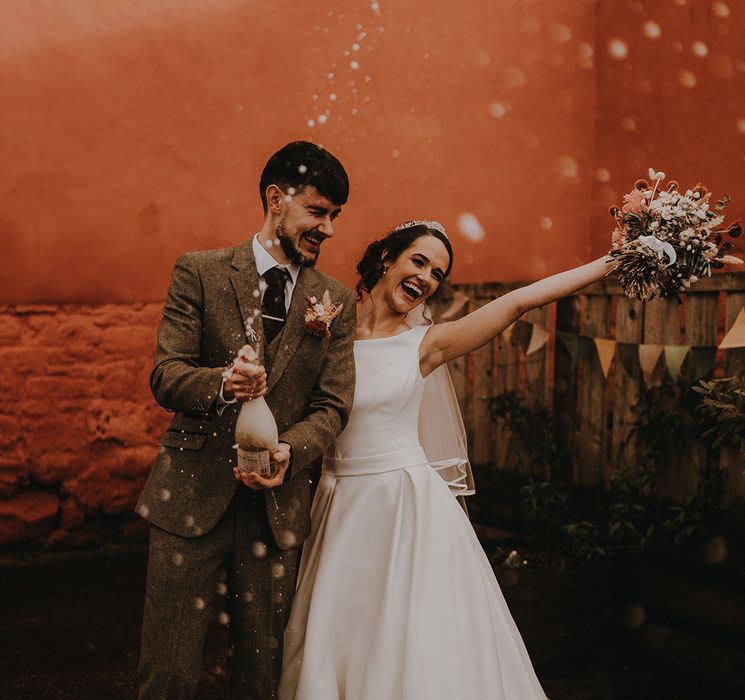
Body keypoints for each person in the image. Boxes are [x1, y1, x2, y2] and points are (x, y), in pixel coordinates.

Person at [272, 220, 617, 700]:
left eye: (437, 273)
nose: (427, 278)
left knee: (412, 638)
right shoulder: (325, 332)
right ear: (386, 259)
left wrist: (612, 262)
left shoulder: (427, 344)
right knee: (341, 635)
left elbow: (520, 301)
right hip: (338, 505)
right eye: (419, 261)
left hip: (407, 508)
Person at [136, 141, 357, 700]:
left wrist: (293, 451)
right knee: (170, 671)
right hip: (190, 499)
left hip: (277, 512)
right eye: (317, 211)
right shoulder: (201, 271)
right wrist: (221, 382)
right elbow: (166, 375)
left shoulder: (334, 299)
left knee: (261, 676)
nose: (327, 228)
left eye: (335, 216)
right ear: (276, 200)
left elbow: (332, 406)